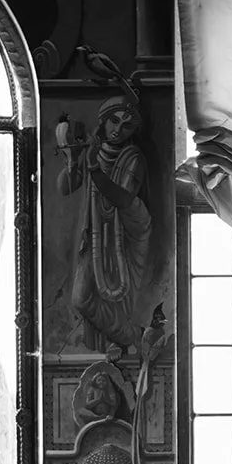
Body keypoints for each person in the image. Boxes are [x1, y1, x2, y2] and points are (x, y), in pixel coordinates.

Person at [56, 95, 153, 352]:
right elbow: (65, 188)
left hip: (125, 236)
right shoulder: (94, 151)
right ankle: (132, 336)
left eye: (126, 125)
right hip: (95, 235)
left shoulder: (133, 158)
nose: (118, 130)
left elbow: (121, 197)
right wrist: (72, 158)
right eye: (114, 121)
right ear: (103, 121)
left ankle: (124, 342)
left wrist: (93, 166)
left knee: (117, 298)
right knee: (81, 298)